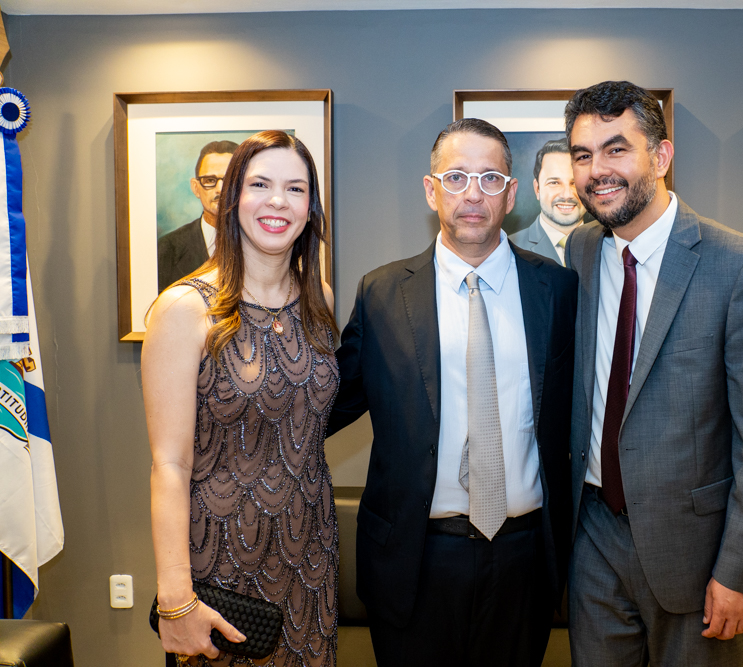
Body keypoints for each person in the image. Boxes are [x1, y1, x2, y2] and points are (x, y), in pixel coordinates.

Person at [562, 81, 743, 666]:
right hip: (592, 538)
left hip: (696, 557)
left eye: (617, 149)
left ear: (661, 157)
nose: (597, 170)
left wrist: (742, 573)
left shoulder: (741, 266)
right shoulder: (582, 253)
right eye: (583, 154)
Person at [328, 118, 577, 667]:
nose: (472, 194)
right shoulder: (383, 293)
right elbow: (326, 404)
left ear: (512, 195)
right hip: (414, 558)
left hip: (525, 556)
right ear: (430, 188)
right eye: (457, 176)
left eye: (490, 179)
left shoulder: (558, 290)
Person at [144, 130, 339, 667]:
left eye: (295, 189)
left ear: (309, 208)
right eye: (260, 184)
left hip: (309, 560)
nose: (278, 201)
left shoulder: (319, 298)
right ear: (232, 200)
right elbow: (169, 463)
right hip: (221, 568)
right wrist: (176, 600)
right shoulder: (185, 309)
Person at [158, 140, 238, 292]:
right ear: (196, 188)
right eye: (209, 180)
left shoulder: (265, 245)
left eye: (230, 180)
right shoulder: (166, 250)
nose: (220, 189)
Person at [510, 138, 586, 266]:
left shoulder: (611, 244)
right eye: (554, 183)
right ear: (537, 188)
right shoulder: (509, 248)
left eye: (575, 182)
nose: (567, 194)